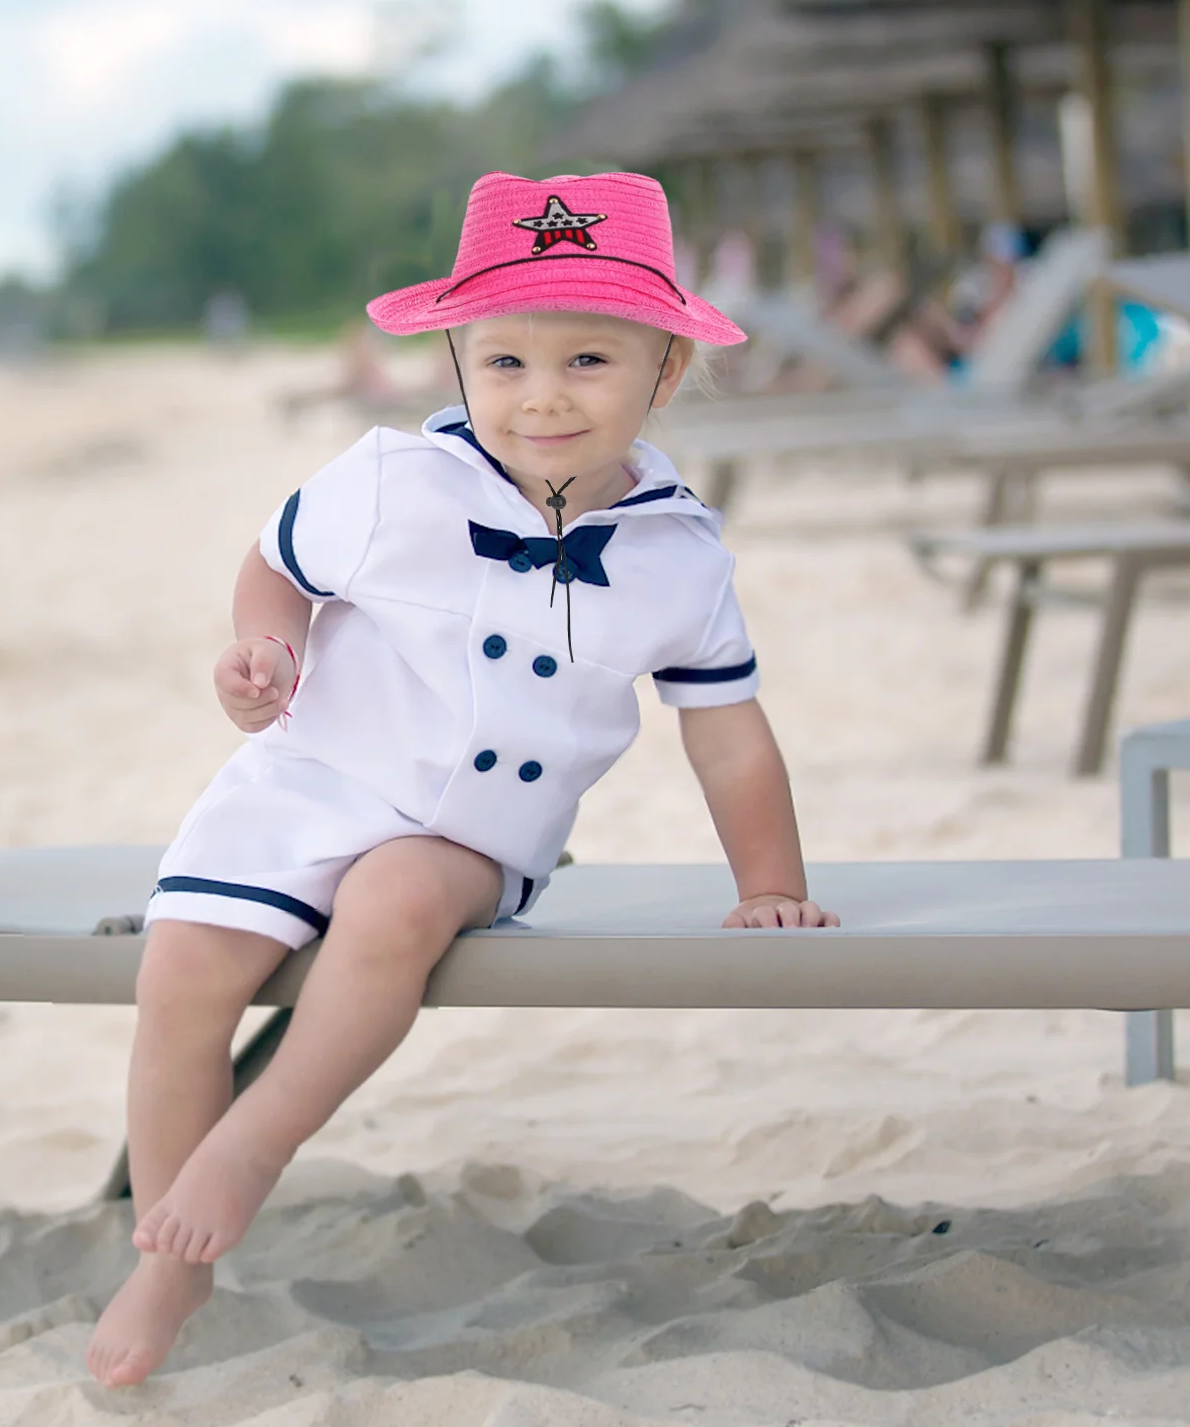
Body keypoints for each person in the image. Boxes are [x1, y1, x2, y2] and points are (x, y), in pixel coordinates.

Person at [87, 171, 840, 1389]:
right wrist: (264, 649)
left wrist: (771, 885)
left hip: (473, 829)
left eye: (588, 360)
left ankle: (255, 1147)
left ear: (663, 373)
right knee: (180, 967)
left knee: (393, 906)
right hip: (312, 774)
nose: (542, 396)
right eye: (504, 364)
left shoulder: (678, 554)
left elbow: (729, 734)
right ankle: (169, 1256)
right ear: (455, 363)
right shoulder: (389, 483)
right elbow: (275, 567)